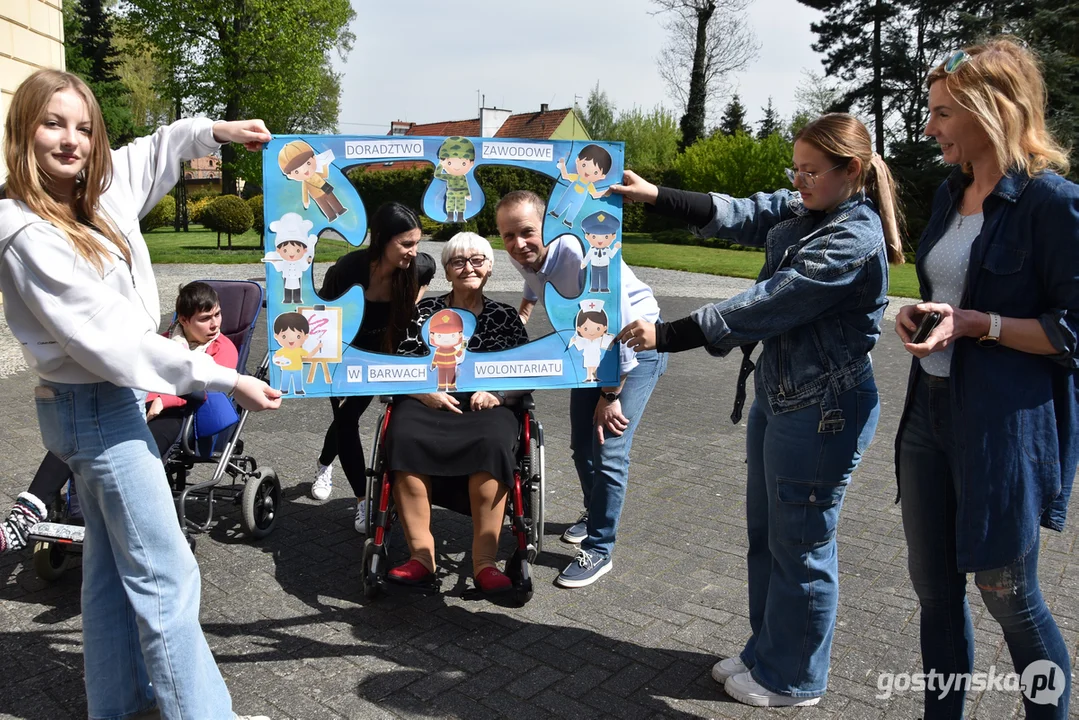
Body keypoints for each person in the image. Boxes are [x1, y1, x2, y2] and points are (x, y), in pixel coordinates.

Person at [0, 69, 278, 720]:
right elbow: (111, 341)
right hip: (96, 412)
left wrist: (211, 131)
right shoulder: (27, 232)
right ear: (23, 129)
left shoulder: (86, 191)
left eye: (84, 126)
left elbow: (149, 152)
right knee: (166, 574)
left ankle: (120, 705)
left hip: (90, 412)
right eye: (53, 123)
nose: (71, 140)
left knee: (106, 576)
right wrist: (223, 374)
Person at [613, 112, 905, 707]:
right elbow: (745, 211)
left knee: (802, 544)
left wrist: (668, 334)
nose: (797, 183)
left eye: (809, 173)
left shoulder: (853, 234)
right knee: (767, 533)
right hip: (780, 392)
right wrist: (657, 196)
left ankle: (795, 678)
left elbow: (772, 301)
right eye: (793, 170)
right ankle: (767, 650)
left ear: (851, 170)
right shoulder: (810, 206)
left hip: (824, 408)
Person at [893, 38, 1078, 720]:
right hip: (926, 418)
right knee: (934, 593)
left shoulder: (1050, 204)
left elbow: (1070, 332)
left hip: (1001, 430)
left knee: (1008, 597)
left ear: (989, 110)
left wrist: (980, 324)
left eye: (941, 112)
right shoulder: (948, 196)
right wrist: (914, 315)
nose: (929, 126)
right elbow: (947, 293)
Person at [497, 190, 666, 588]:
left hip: (634, 347)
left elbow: (621, 319)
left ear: (547, 228)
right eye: (507, 235)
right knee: (580, 445)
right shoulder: (523, 253)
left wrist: (610, 395)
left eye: (526, 232)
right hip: (592, 347)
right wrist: (524, 311)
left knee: (608, 451)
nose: (518, 244)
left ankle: (601, 548)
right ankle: (595, 511)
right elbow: (535, 280)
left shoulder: (578, 255)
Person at [0, 281, 240, 553]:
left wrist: (163, 399)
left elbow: (210, 390)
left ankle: (111, 515)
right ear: (183, 320)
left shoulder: (223, 348)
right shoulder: (162, 341)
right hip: (141, 404)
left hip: (185, 416)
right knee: (78, 431)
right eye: (205, 318)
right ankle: (26, 513)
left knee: (131, 453)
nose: (215, 324)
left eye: (217, 314)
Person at [384, 232, 530, 592]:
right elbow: (399, 361)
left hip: (487, 405)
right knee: (402, 435)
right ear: (447, 271)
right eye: (458, 262)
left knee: (495, 440)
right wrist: (423, 392)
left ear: (490, 268)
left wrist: (497, 392)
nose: (468, 268)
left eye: (477, 260)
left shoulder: (506, 317)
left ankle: (484, 562)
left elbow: (528, 369)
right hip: (428, 400)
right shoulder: (424, 312)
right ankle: (421, 556)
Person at [312, 202, 436, 532]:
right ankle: (362, 501)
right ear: (381, 239)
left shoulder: (417, 266)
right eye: (406, 244)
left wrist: (414, 300)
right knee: (347, 417)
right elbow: (322, 316)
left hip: (382, 353)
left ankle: (325, 462)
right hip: (344, 351)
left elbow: (429, 267)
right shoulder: (350, 269)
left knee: (350, 416)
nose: (414, 251)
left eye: (417, 242)